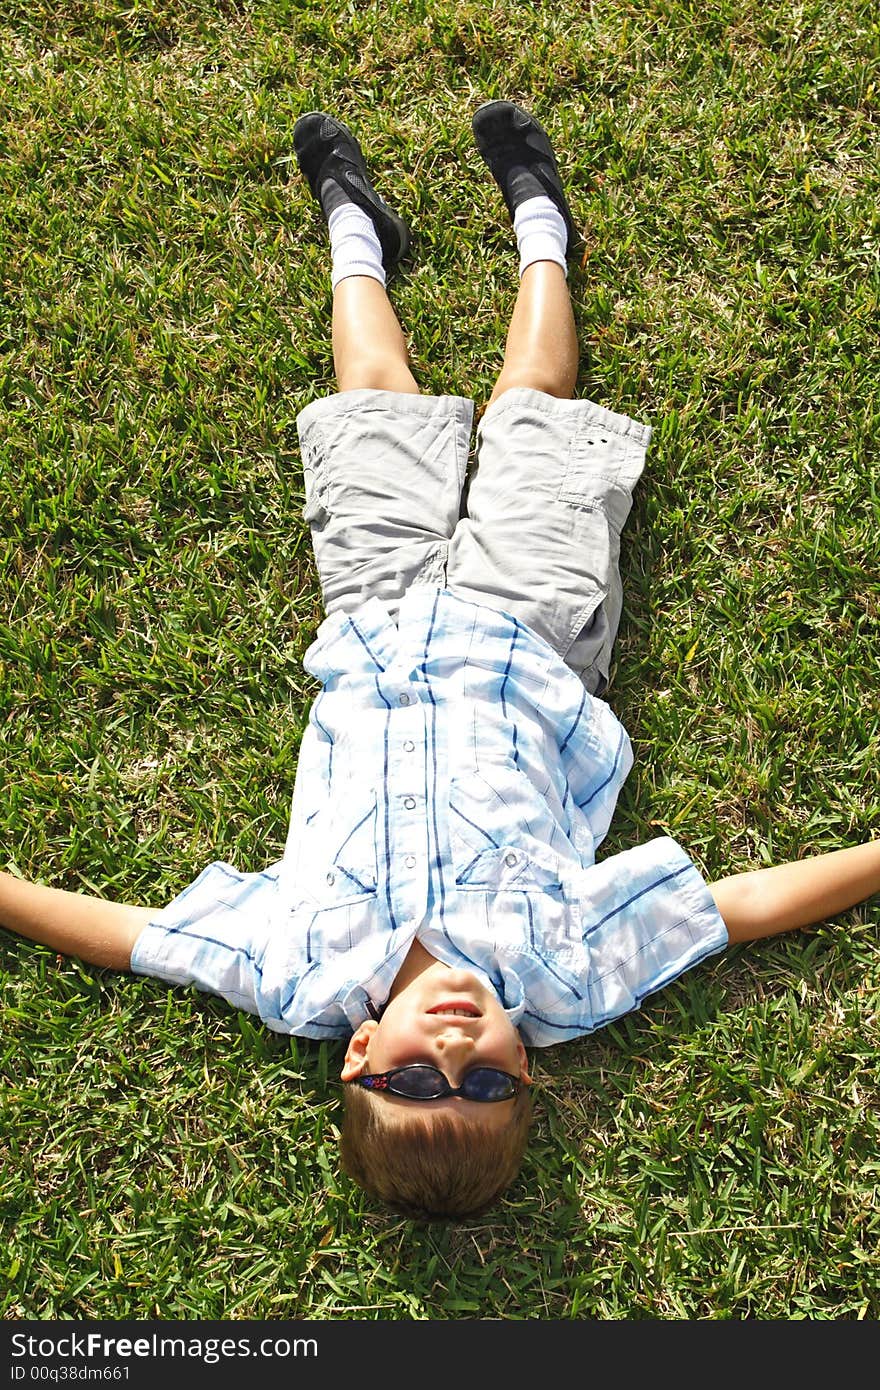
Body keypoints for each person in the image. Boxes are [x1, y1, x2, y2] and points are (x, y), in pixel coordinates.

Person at [2, 103, 878, 1221]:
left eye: (415, 1080)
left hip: (372, 621)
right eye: (487, 1083)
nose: (454, 1050)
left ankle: (353, 228)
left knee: (374, 405)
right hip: (532, 628)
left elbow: (134, 939)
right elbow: (742, 906)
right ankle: (540, 223)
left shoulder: (293, 973)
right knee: (530, 411)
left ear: (359, 1051)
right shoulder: (569, 976)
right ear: (528, 1072)